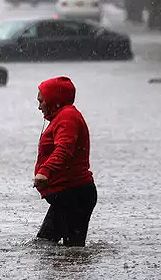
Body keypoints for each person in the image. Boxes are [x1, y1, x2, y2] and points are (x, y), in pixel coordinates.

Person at [33, 76, 97, 247]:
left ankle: (74, 274)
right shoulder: (63, 117)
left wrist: (44, 171)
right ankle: (68, 274)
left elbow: (64, 149)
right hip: (69, 194)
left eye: (41, 101)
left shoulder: (67, 117)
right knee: (48, 247)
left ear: (54, 99)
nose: (39, 106)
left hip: (75, 194)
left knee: (60, 249)